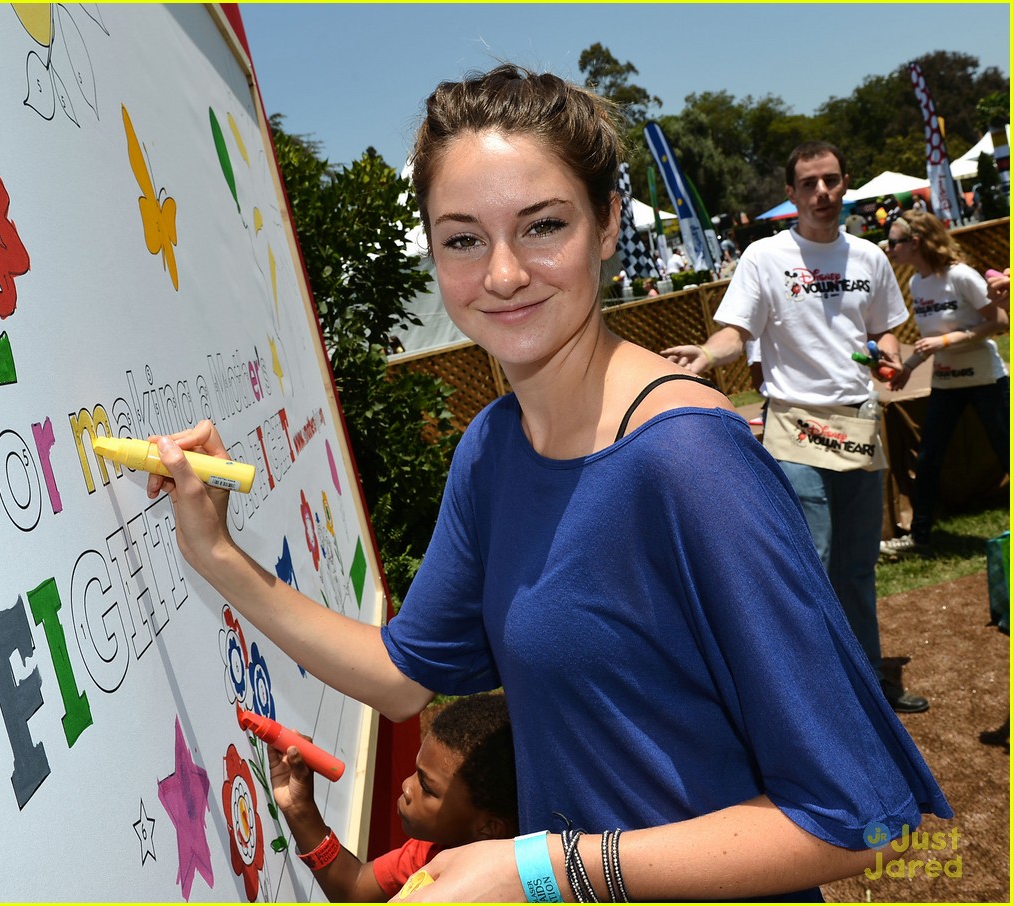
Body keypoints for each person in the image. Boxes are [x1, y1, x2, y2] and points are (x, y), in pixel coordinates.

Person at [148, 70, 949, 902]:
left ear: (606, 223)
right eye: (462, 238)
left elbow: (849, 815)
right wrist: (216, 554)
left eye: (542, 226)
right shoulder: (494, 448)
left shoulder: (688, 459)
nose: (502, 274)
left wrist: (543, 868)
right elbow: (398, 676)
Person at [661, 141, 931, 715]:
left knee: (857, 565)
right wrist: (708, 357)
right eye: (809, 183)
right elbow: (736, 331)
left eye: (831, 181)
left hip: (858, 421)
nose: (822, 193)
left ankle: (870, 681)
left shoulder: (869, 258)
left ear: (845, 184)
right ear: (791, 193)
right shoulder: (765, 257)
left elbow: (884, 330)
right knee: (811, 559)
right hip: (796, 428)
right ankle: (816, 692)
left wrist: (885, 356)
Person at [269, 692, 517, 901]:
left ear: (488, 829)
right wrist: (299, 808)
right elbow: (354, 887)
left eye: (427, 788)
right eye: (415, 772)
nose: (407, 786)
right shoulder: (434, 850)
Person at [879, 212, 1009, 556]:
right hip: (946, 382)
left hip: (986, 379)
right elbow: (930, 341)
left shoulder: (961, 276)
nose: (889, 248)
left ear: (916, 242)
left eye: (894, 242)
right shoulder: (917, 284)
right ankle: (919, 536)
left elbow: (1001, 321)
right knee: (928, 459)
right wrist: (906, 368)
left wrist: (948, 342)